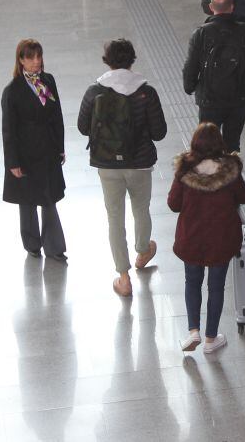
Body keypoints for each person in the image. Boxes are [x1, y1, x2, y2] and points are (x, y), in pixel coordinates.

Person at [77, 39, 168, 297]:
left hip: (107, 164)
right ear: (132, 59)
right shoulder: (146, 92)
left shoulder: (95, 91)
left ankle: (124, 277)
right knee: (141, 208)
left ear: (107, 61)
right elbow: (160, 132)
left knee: (114, 218)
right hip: (139, 164)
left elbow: (83, 127)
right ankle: (142, 251)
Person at [167, 122, 245, 355]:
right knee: (216, 287)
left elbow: (173, 204)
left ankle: (193, 330)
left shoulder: (184, 171)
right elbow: (244, 198)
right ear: (219, 145)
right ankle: (211, 338)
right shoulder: (230, 170)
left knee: (192, 282)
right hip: (222, 239)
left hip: (191, 238)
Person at [1, 38, 67, 262]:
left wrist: (60, 147)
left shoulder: (48, 81)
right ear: (21, 60)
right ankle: (31, 243)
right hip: (26, 153)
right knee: (27, 199)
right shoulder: (12, 91)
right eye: (30, 57)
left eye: (39, 56)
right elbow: (8, 130)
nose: (36, 61)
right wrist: (13, 162)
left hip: (47, 149)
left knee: (49, 198)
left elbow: (56, 115)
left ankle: (54, 246)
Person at [182, 0, 245, 153]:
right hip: (238, 98)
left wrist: (190, 87)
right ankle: (231, 176)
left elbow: (191, 66)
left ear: (211, 7)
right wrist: (241, 75)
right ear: (232, 7)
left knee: (206, 145)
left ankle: (210, 177)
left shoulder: (201, 33)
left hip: (209, 100)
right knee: (233, 145)